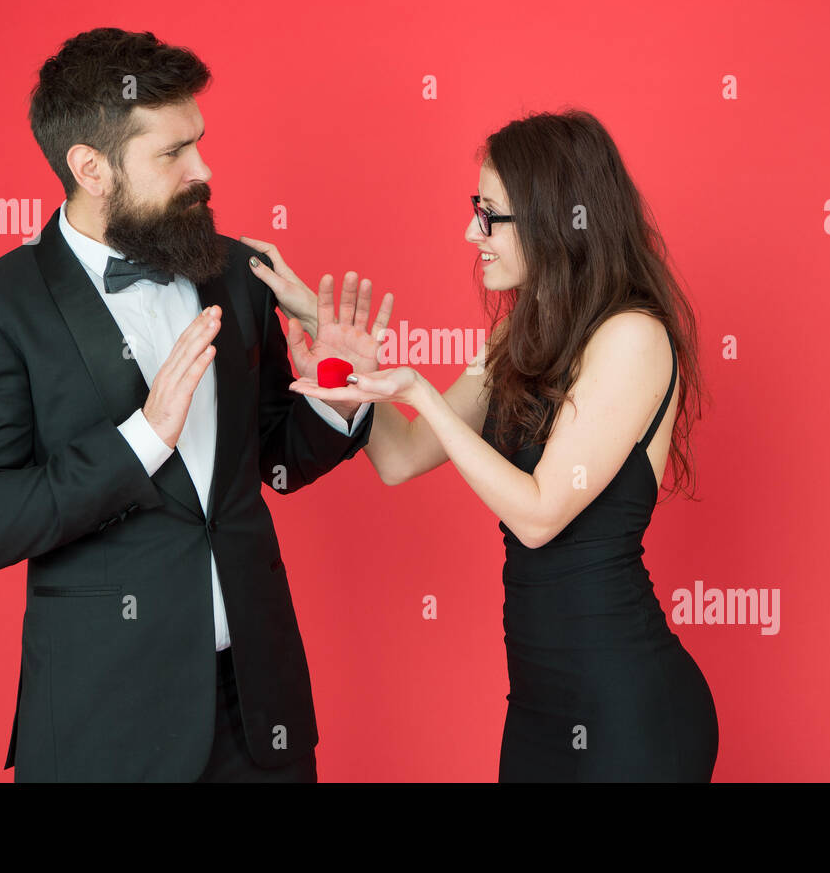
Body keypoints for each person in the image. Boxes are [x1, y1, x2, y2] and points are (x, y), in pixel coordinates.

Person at [0, 27, 389, 782]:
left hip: (260, 716)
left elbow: (269, 461)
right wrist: (142, 438)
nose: (202, 169)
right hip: (104, 731)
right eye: (172, 153)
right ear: (90, 167)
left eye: (198, 143)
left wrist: (334, 403)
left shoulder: (239, 271)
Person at [245, 109, 719, 781]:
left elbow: (538, 513)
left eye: (491, 214)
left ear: (554, 216)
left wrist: (421, 394)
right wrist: (330, 339)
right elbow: (400, 457)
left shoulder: (631, 337)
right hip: (537, 707)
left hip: (628, 713)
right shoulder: (515, 339)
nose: (474, 232)